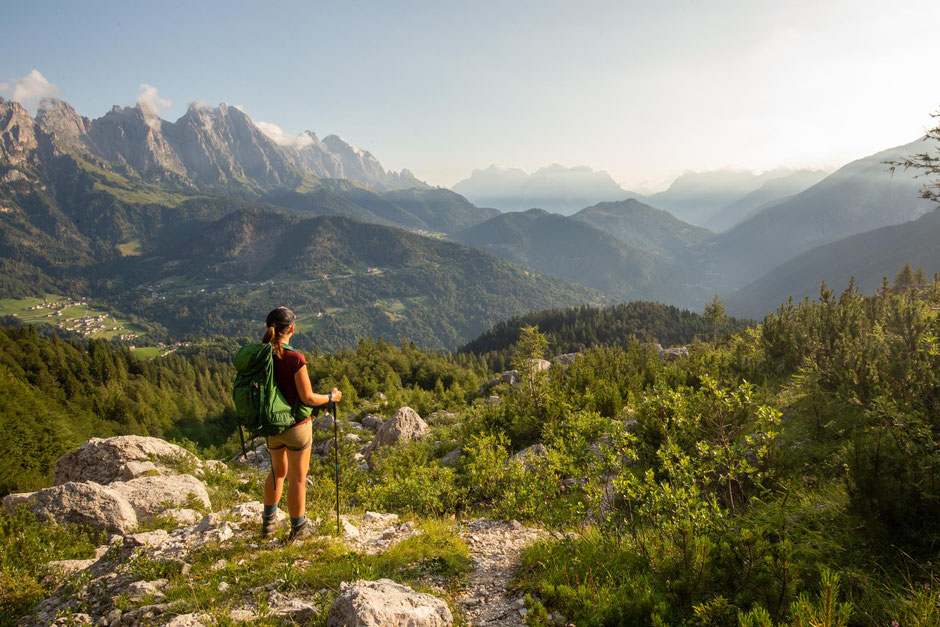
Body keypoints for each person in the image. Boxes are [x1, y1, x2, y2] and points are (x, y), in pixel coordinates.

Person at [260, 306, 341, 540]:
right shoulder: (295, 358)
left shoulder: (262, 355)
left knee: (277, 472)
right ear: (292, 329)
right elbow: (307, 398)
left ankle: (268, 526)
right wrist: (330, 397)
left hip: (273, 426)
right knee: (297, 477)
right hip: (296, 426)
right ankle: (298, 529)